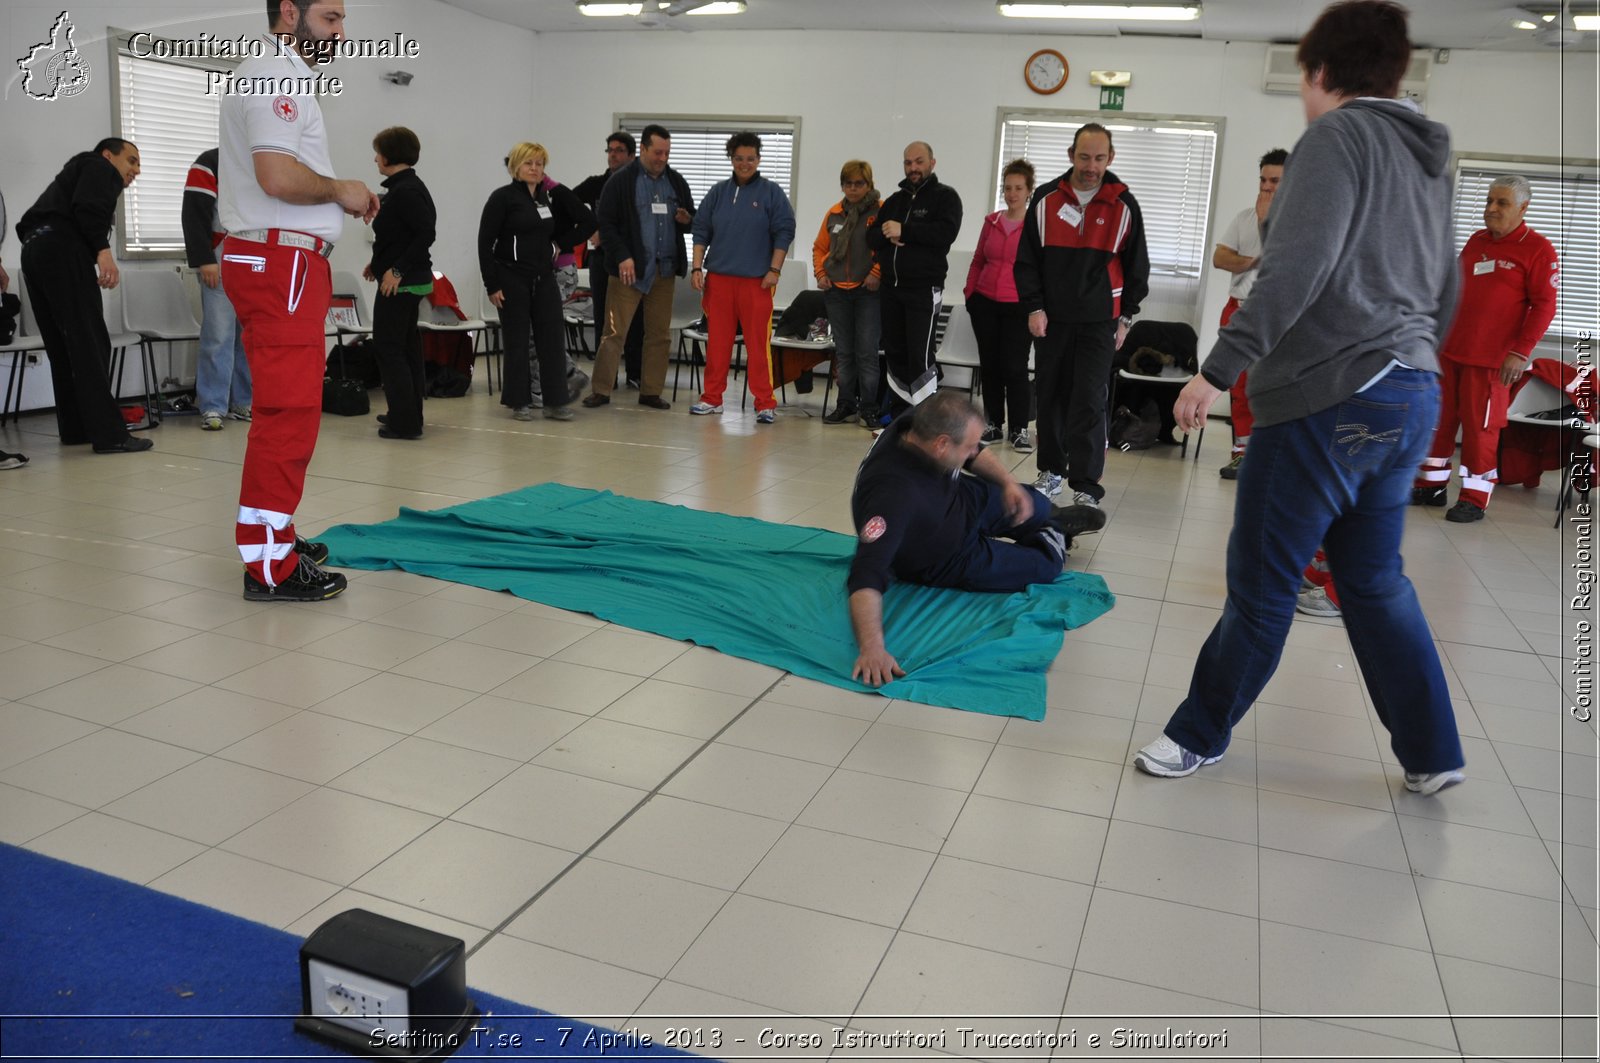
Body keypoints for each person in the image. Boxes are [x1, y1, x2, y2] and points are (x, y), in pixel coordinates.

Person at [1134, 0, 1466, 798]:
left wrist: (1219, 369)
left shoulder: (1337, 137)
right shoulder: (1429, 155)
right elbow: (1445, 283)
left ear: (1319, 73)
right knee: (1373, 580)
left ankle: (1196, 735)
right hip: (1410, 390)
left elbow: (1294, 267)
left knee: (1262, 583)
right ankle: (1433, 751)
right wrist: (1413, 358)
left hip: (1330, 397)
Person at [219, 0, 379, 602]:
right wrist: (342, 189)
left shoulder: (278, 70)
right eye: (332, 18)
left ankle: (276, 535)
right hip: (280, 262)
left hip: (283, 260)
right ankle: (268, 566)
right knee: (287, 414)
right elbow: (277, 177)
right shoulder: (272, 71)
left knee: (291, 410)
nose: (342, 32)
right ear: (291, 11)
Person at [847, 392, 1105, 687]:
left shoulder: (921, 421)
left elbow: (975, 452)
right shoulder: (892, 497)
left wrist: (1008, 484)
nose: (974, 451)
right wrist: (872, 649)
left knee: (1033, 503)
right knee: (1045, 566)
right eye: (968, 446)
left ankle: (1048, 516)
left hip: (959, 499)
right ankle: (1056, 532)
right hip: (944, 554)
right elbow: (865, 574)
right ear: (942, 444)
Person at [1014, 122, 1150, 507]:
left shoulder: (1125, 205)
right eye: (1085, 157)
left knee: (1089, 400)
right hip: (1052, 320)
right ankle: (1052, 471)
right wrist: (1034, 307)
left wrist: (1126, 318)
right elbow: (1027, 262)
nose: (1092, 166)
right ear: (1071, 155)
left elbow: (1137, 266)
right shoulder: (1044, 199)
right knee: (1051, 397)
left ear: (1111, 158)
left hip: (1099, 320)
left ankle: (1087, 485)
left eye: (1100, 158)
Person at [1412, 175, 1559, 522]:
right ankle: (1430, 486)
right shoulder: (1478, 240)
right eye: (1489, 201)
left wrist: (1520, 352)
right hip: (1450, 352)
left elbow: (1545, 306)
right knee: (1438, 422)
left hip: (1492, 361)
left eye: (1502, 203)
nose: (1491, 208)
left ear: (1523, 207)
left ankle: (1474, 499)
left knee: (1480, 431)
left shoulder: (1538, 249)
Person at [16, 137, 151, 455]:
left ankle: (76, 429)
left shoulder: (72, 176)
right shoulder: (97, 166)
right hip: (63, 249)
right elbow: (88, 208)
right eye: (131, 160)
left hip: (35, 250)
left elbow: (36, 221)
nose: (136, 170)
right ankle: (110, 435)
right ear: (108, 155)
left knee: (63, 345)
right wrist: (103, 252)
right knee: (89, 341)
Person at [478, 142, 593, 423]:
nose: (535, 169)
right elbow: (485, 242)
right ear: (515, 166)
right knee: (517, 341)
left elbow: (565, 229)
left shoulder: (544, 199)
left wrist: (557, 245)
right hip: (511, 277)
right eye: (529, 163)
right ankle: (520, 402)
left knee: (552, 339)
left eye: (540, 164)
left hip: (543, 277)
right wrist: (492, 285)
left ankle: (556, 402)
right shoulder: (502, 198)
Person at [584, 123, 694, 412]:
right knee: (613, 332)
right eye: (657, 152)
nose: (662, 158)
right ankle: (601, 390)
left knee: (659, 334)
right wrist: (622, 256)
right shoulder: (621, 181)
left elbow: (692, 219)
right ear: (643, 149)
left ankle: (650, 391)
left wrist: (686, 221)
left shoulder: (676, 181)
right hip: (628, 270)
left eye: (667, 153)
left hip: (664, 270)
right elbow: (606, 223)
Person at [689, 132, 796, 424]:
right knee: (717, 343)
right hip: (719, 280)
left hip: (757, 282)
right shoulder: (718, 192)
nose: (744, 163)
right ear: (731, 159)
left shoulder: (772, 192)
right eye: (739, 158)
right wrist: (697, 268)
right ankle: (712, 398)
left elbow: (784, 231)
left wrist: (774, 270)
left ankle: (764, 402)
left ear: (759, 159)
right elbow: (701, 230)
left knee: (758, 345)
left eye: (750, 158)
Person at [866, 141, 962, 422]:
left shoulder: (946, 198)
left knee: (919, 359)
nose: (913, 168)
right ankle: (900, 420)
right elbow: (871, 237)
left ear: (932, 163)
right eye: (908, 163)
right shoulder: (895, 201)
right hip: (891, 289)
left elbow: (945, 234)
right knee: (895, 355)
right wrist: (888, 233)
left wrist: (905, 231)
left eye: (919, 162)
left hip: (923, 289)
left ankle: (926, 422)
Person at [1213, 147, 1288, 479]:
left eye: (1275, 181)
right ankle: (1242, 452)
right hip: (1238, 310)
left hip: (1276, 316)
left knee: (1272, 388)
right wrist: (1251, 261)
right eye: (1263, 180)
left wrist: (1266, 224)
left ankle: (1270, 456)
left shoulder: (1302, 220)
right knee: (1239, 386)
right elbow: (1220, 258)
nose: (1266, 187)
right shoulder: (1244, 217)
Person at [366, 126, 436, 440]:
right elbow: (399, 236)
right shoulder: (405, 186)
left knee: (389, 348)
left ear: (391, 154)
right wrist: (378, 264)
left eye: (378, 151)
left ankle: (405, 423)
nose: (375, 158)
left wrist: (395, 271)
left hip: (402, 283)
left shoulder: (406, 191)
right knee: (406, 349)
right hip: (406, 278)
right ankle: (405, 412)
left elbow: (425, 234)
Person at [964, 158, 1037, 452]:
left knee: (1014, 367)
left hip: (1019, 305)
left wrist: (1037, 306)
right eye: (1007, 188)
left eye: (1018, 188)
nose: (1012, 194)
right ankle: (994, 423)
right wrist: (970, 294)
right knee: (990, 366)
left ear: (1029, 190)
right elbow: (979, 259)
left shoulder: (1035, 227)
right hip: (985, 303)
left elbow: (1041, 270)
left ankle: (1019, 428)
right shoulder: (991, 222)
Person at [183, 148, 253, 433]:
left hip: (252, 257)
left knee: (247, 336)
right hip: (218, 256)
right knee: (219, 333)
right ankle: (212, 404)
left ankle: (242, 401)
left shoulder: (262, 161)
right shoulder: (210, 162)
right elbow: (194, 213)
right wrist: (205, 259)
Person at [812, 159, 882, 427]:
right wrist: (821, 273)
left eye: (859, 184)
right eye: (848, 184)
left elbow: (889, 248)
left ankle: (869, 408)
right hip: (837, 292)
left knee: (866, 351)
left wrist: (877, 273)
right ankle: (845, 405)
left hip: (868, 292)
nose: (853, 189)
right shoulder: (834, 213)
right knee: (844, 352)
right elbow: (819, 248)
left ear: (869, 184)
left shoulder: (880, 211)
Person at [573, 132, 644, 386]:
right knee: (604, 318)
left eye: (619, 150)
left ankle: (635, 374)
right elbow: (567, 202)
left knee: (636, 319)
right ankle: (607, 378)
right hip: (603, 261)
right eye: (610, 150)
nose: (613, 155)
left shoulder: (639, 184)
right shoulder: (595, 183)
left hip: (634, 261)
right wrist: (591, 228)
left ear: (631, 155)